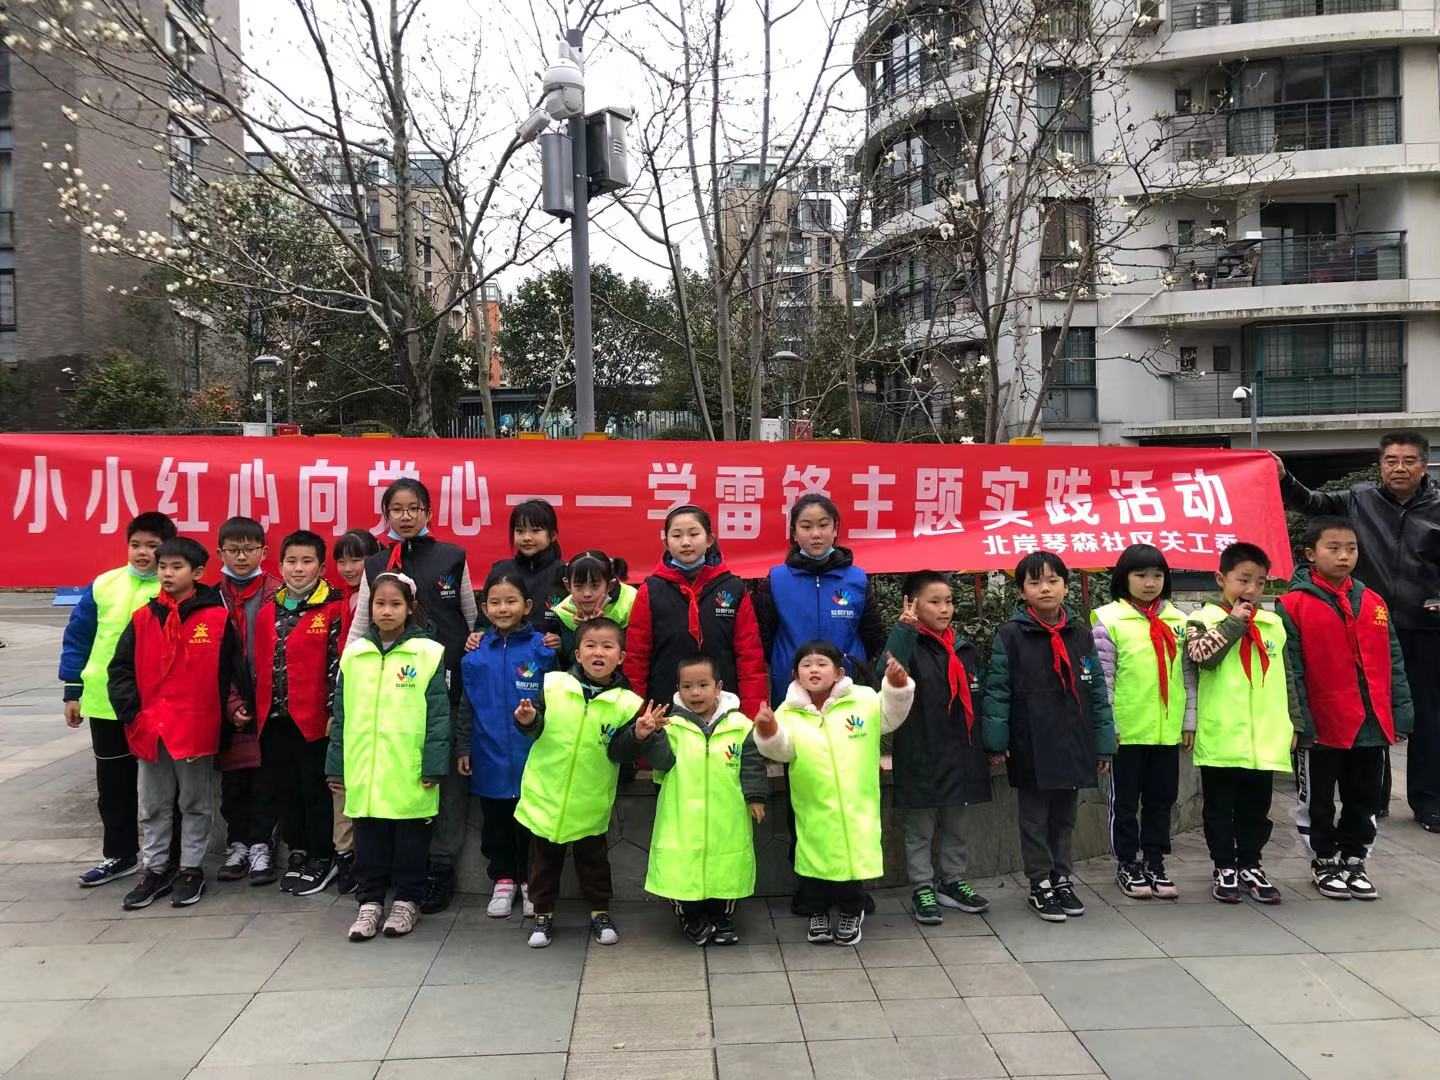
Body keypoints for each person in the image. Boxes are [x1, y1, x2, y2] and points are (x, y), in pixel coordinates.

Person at [1276, 431, 1440, 827]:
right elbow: (1311, 503)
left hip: (1426, 627)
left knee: (1428, 716)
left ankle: (1429, 801)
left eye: (1408, 461)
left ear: (1424, 466)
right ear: (1380, 465)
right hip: (1368, 625)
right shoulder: (1359, 499)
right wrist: (1284, 478)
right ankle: (1373, 797)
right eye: (1391, 461)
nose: (1399, 468)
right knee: (1370, 708)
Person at [346, 478, 479, 914]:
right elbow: (360, 626)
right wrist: (343, 682)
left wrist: (474, 647)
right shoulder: (376, 564)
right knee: (398, 774)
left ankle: (440, 867)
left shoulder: (452, 557)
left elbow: (471, 617)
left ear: (428, 512)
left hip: (446, 683)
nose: (405, 516)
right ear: (385, 514)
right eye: (396, 509)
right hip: (391, 692)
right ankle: (396, 872)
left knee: (445, 778)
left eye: (413, 508)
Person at [108, 537, 248, 910]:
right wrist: (132, 714)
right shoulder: (143, 618)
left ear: (198, 572)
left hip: (196, 729)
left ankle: (190, 868)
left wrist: (235, 712)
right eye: (163, 567)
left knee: (195, 803)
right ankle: (155, 869)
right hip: (150, 729)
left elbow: (233, 672)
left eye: (176, 567)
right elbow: (120, 670)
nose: (167, 574)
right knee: (153, 805)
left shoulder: (216, 618)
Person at [1279, 518, 1414, 900]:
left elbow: (1394, 660)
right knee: (1318, 800)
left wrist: (1401, 712)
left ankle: (1355, 860)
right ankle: (1323, 860)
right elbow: (1292, 670)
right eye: (1333, 548)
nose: (1343, 556)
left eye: (1351, 548)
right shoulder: (1292, 605)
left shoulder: (1373, 601)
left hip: (1371, 721)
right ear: (1310, 554)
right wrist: (1299, 720)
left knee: (1364, 797)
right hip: (1322, 724)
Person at [982, 552, 1116, 923]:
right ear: (1021, 590)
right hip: (1031, 742)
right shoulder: (1011, 635)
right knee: (1034, 819)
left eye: (1053, 581)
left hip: (1073, 740)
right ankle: (1039, 881)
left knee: (1064, 818)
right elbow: (997, 691)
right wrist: (996, 742)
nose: (1045, 588)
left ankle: (1062, 877)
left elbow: (1096, 690)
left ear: (1066, 587)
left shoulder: (1081, 635)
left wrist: (1103, 744)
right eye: (1035, 582)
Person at [754, 641, 914, 946]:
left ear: (839, 672)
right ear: (795, 675)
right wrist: (768, 730)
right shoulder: (787, 711)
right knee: (813, 861)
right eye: (806, 665)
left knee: (852, 862)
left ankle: (852, 911)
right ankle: (817, 912)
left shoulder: (863, 699)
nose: (814, 670)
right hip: (813, 803)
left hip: (856, 803)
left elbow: (891, 715)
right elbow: (782, 751)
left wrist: (897, 686)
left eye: (821, 664)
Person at [514, 617, 660, 949]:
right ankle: (542, 914)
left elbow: (619, 752)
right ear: (578, 654)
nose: (598, 653)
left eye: (608, 647)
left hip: (590, 797)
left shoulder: (626, 702)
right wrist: (528, 719)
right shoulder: (553, 685)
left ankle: (600, 912)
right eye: (590, 646)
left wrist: (638, 735)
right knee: (543, 862)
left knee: (593, 862)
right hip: (546, 794)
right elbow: (535, 725)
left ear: (621, 657)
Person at [609, 654, 768, 946]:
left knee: (727, 868)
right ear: (678, 689)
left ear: (718, 687)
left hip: (727, 816)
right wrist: (653, 735)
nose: (695, 693)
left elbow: (752, 764)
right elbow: (662, 762)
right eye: (687, 686)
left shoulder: (740, 725)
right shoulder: (672, 726)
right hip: (681, 815)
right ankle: (690, 917)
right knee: (682, 869)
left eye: (703, 685)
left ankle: (722, 917)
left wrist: (755, 796)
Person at [327, 572, 451, 941]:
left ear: (410, 608)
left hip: (409, 768)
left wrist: (434, 764)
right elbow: (341, 714)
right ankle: (370, 903)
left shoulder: (428, 653)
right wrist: (337, 765)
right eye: (379, 604)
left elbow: (439, 715)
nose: (386, 611)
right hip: (364, 769)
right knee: (369, 842)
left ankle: (407, 901)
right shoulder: (355, 654)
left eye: (395, 604)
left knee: (411, 841)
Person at [60, 510, 177, 888]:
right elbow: (78, 638)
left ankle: (169, 858)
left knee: (165, 787)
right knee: (113, 785)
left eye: (152, 546)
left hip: (156, 705)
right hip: (105, 703)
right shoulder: (104, 585)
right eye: (135, 545)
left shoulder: (175, 587)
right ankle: (120, 854)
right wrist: (73, 691)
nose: (143, 553)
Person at [1185, 541, 1302, 905]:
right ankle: (1224, 866)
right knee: (1220, 807)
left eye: (1260, 582)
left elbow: (1287, 677)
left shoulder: (1273, 623)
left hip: (1264, 734)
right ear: (1221, 579)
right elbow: (1202, 656)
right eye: (1243, 580)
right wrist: (1235, 620)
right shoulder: (1201, 619)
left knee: (1257, 807)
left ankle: (1251, 863)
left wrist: (1295, 723)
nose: (1251, 589)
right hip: (1223, 734)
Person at [884, 572, 991, 925]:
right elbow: (883, 678)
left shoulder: (963, 647)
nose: (944, 609)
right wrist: (903, 630)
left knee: (956, 822)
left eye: (948, 601)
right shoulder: (908, 644)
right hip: (920, 748)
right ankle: (922, 885)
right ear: (912, 604)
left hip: (960, 749)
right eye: (934, 602)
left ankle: (952, 880)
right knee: (920, 825)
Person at [1091, 544, 1189, 900]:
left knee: (1162, 800)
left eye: (1157, 575)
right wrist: (1108, 729)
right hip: (1127, 733)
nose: (1150, 583)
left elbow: (1188, 677)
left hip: (1166, 730)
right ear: (1124, 578)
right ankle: (1127, 863)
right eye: (1141, 575)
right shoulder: (1108, 619)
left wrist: (1188, 721)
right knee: (1125, 804)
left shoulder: (1179, 620)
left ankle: (1154, 861)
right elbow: (1103, 680)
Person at [456, 572, 556, 919]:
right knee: (495, 823)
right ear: (484, 608)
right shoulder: (474, 654)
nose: (503, 608)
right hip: (488, 754)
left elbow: (557, 701)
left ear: (527, 606)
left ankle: (530, 882)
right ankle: (502, 879)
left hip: (533, 752)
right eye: (495, 602)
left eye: (510, 601)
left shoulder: (543, 650)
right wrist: (464, 747)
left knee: (530, 823)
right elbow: (467, 705)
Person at [252, 529, 346, 896]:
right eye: (291, 561)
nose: (298, 568)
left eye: (307, 561)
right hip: (274, 719)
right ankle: (299, 850)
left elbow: (337, 666)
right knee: (285, 789)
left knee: (315, 790)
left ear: (321, 568)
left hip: (315, 722)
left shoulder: (334, 608)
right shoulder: (268, 610)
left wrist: (333, 711)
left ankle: (322, 855)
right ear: (279, 565)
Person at [624, 505, 768, 718]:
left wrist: (752, 713)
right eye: (677, 535)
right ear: (666, 543)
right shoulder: (651, 590)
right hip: (664, 708)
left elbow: (749, 657)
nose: (685, 542)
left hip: (723, 708)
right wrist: (633, 712)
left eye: (693, 534)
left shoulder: (733, 588)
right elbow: (637, 657)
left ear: (709, 539)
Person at [753, 494, 887, 703]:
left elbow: (872, 635)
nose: (816, 534)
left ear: (835, 530)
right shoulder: (777, 580)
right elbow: (763, 637)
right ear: (794, 533)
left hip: (847, 687)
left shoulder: (857, 579)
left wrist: (851, 663)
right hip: (792, 689)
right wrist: (786, 662)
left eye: (823, 525)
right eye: (806, 527)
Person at [214, 515, 283, 887]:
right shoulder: (211, 597)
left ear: (264, 551)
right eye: (233, 550)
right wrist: (231, 702)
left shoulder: (278, 593)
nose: (241, 557)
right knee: (234, 781)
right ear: (220, 552)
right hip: (226, 704)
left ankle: (261, 845)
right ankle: (237, 844)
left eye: (249, 549)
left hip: (270, 701)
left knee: (265, 778)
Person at [330, 527, 380, 894]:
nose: (349, 568)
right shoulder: (334, 603)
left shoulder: (382, 600)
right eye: (342, 560)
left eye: (357, 559)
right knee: (341, 784)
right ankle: (345, 854)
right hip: (342, 701)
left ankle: (371, 858)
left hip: (374, 703)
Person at [546, 550, 636, 668]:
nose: (587, 594)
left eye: (595, 586)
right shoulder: (562, 612)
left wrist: (600, 625)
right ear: (568, 586)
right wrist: (560, 646)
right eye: (578, 586)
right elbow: (570, 662)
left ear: (610, 585)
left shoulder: (632, 602)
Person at [486, 498, 568, 628]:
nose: (527, 538)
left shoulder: (564, 573)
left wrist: (560, 638)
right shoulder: (500, 571)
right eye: (520, 531)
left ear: (552, 535)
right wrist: (479, 632)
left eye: (535, 531)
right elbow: (483, 622)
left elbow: (573, 623)